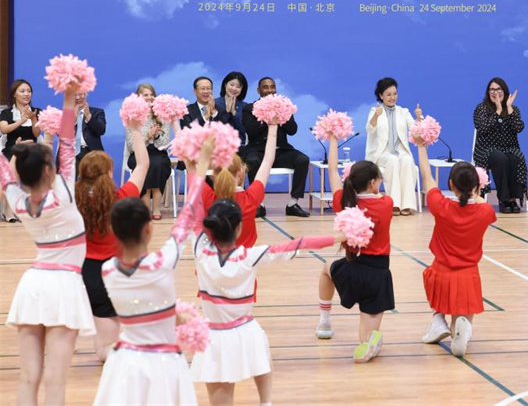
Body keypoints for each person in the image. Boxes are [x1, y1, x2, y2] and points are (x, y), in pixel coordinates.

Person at [92, 137, 212, 406]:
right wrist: (200, 167)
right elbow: (189, 214)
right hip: (163, 362)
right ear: (149, 229)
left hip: (124, 362)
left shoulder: (107, 270)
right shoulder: (163, 262)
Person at [190, 201, 343, 406]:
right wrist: (340, 237)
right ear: (239, 228)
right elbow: (300, 243)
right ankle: (266, 402)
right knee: (261, 361)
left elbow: (192, 210)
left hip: (213, 336)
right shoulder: (249, 257)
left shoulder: (200, 251)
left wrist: (195, 172)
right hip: (245, 330)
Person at [0, 83, 95, 406]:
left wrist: (11, 159)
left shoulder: (17, 201)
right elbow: (67, 143)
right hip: (64, 286)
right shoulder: (65, 194)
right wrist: (69, 97)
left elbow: (6, 173)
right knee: (55, 376)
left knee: (29, 375)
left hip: (32, 285)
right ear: (48, 169)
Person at [315, 134, 394, 363]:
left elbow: (332, 172)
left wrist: (332, 140)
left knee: (327, 267)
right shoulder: (385, 204)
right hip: (377, 274)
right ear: (373, 182)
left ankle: (324, 321)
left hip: (351, 270)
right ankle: (368, 343)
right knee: (366, 334)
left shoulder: (344, 202)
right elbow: (381, 197)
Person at [76, 117, 149, 361]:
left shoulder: (75, 202)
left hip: (90, 272)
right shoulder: (122, 196)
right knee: (117, 342)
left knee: (103, 345)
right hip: (120, 271)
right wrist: (136, 130)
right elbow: (143, 165)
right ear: (110, 172)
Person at [415, 140, 496, 357]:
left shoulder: (441, 206)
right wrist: (476, 190)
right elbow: (478, 201)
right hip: (468, 275)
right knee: (462, 314)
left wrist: (421, 146)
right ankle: (461, 330)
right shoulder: (486, 212)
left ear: (451, 185)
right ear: (478, 186)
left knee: (439, 292)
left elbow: (426, 176)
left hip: (440, 273)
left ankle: (438, 320)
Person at [201, 121, 280, 248]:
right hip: (243, 264)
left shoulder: (208, 199)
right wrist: (273, 126)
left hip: (212, 264)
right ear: (240, 173)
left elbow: (191, 168)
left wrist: (176, 123)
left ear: (214, 174)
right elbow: (267, 161)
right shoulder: (251, 198)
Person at [242, 77, 310, 218]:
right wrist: (266, 118)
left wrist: (281, 114)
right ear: (258, 90)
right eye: (265, 87)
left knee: (303, 160)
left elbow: (293, 130)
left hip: (281, 151)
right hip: (258, 151)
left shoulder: (284, 105)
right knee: (252, 161)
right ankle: (259, 204)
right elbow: (251, 131)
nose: (269, 90)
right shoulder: (249, 108)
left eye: (272, 87)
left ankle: (293, 204)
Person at [365, 77, 422, 216]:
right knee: (392, 160)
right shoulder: (375, 110)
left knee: (408, 160)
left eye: (395, 93)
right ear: (381, 96)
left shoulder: (403, 111)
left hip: (400, 151)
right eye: (388, 94)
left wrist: (419, 118)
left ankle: (407, 204)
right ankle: (394, 204)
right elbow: (370, 129)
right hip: (382, 154)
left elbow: (415, 132)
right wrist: (376, 117)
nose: (392, 97)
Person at [472, 77, 528, 214]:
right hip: (486, 149)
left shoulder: (513, 109)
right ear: (487, 92)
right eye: (492, 89)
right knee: (500, 158)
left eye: (498, 89)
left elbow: (519, 128)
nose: (495, 92)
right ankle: (504, 199)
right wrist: (497, 111)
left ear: (505, 91)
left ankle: (513, 199)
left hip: (509, 148)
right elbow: (482, 128)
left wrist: (508, 108)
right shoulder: (481, 108)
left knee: (515, 158)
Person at [127, 83, 173, 220]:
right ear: (138, 98)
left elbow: (165, 143)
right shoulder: (131, 115)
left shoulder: (162, 115)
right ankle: (146, 209)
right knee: (146, 165)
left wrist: (157, 135)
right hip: (139, 153)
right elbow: (131, 144)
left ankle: (157, 208)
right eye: (145, 95)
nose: (149, 98)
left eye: (152, 94)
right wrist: (147, 136)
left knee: (158, 164)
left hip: (158, 152)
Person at [0, 79, 40, 160]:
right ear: (14, 94)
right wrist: (21, 121)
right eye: (22, 91)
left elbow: (37, 134)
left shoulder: (36, 111)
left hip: (31, 152)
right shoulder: (6, 113)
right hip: (12, 151)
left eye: (29, 91)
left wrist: (33, 119)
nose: (26, 94)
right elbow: (4, 130)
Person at [73, 91, 106, 168]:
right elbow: (60, 134)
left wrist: (88, 116)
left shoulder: (97, 112)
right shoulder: (66, 114)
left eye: (80, 94)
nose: (78, 97)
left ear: (86, 95)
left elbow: (101, 130)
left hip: (91, 152)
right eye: (75, 95)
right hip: (71, 152)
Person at [216, 71, 248, 145]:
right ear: (225, 84)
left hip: (239, 146)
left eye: (238, 87)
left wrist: (234, 113)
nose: (234, 88)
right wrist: (226, 112)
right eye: (232, 85)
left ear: (242, 89)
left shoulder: (246, 107)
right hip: (218, 144)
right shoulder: (214, 103)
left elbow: (244, 131)